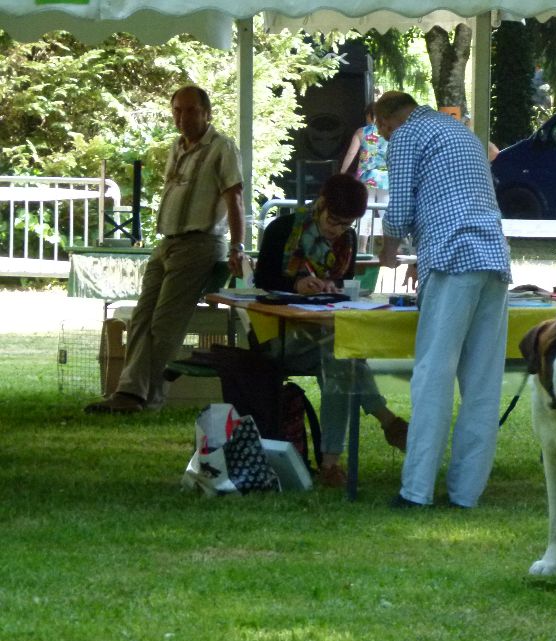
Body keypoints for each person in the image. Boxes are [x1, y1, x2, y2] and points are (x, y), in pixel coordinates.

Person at [374, 90, 512, 509]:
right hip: (493, 257)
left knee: (433, 376)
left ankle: (415, 491)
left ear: (385, 123)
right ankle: (466, 493)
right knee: (483, 384)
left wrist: (387, 253)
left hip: (452, 258)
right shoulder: (461, 133)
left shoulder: (406, 137)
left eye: (380, 132)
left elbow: (398, 212)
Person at [86, 84, 245, 414]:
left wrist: (237, 245)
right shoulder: (177, 147)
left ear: (206, 113)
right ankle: (135, 394)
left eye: (190, 110)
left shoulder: (222, 147)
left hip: (200, 243)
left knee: (164, 324)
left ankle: (136, 397)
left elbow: (235, 198)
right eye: (177, 110)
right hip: (167, 242)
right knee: (142, 317)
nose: (182, 117)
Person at [254, 173, 408, 488]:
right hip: (279, 336)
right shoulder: (283, 230)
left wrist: (331, 286)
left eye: (345, 225)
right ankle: (385, 419)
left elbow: (342, 284)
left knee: (338, 354)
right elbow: (263, 281)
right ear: (321, 204)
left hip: (324, 334)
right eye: (334, 220)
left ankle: (331, 464)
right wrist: (296, 284)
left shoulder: (346, 241)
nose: (336, 230)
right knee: (341, 351)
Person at [341, 104, 389, 253]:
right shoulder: (390, 131)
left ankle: (362, 248)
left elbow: (351, 154)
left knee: (365, 211)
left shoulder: (361, 132)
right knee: (386, 212)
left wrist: (342, 173)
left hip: (366, 178)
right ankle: (390, 247)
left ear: (369, 115)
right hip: (386, 178)